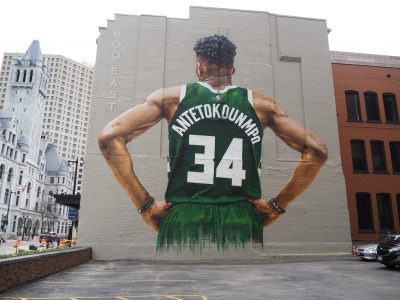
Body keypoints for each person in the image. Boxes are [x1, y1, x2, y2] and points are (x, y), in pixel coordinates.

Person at [98, 35, 327, 251]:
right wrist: (277, 206)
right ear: (232, 69)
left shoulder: (169, 99)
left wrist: (145, 205)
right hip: (243, 216)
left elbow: (109, 137)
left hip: (183, 214)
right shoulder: (262, 105)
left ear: (199, 66)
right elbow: (317, 151)